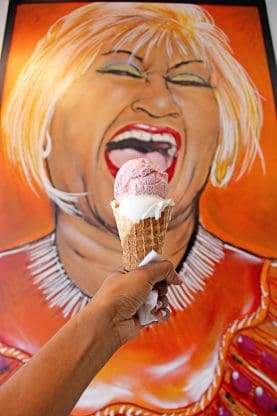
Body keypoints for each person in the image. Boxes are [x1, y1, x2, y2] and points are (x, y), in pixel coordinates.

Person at [0, 2, 276, 415]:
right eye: (121, 71)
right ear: (43, 119)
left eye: (189, 78)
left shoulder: (266, 300)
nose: (160, 102)